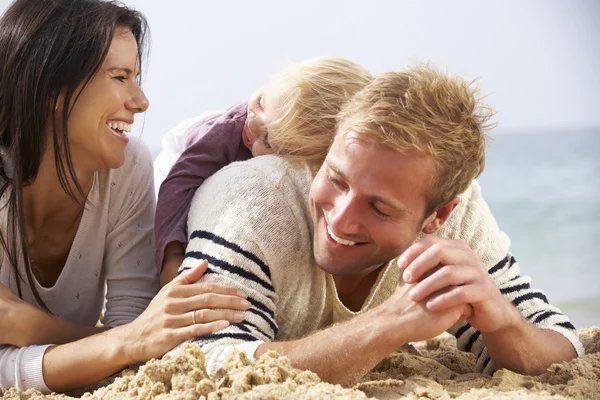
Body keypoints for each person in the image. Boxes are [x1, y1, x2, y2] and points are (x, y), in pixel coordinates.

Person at [177, 64, 583, 383]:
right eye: (335, 179)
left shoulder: (459, 219)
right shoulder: (253, 200)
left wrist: (503, 320)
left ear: (437, 216)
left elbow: (564, 349)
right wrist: (388, 324)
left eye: (379, 208)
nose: (341, 218)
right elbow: (204, 361)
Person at [0, 0, 247, 393]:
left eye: (137, 77)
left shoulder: (126, 167)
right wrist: (123, 342)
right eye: (120, 77)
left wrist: (33, 327)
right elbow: (128, 341)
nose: (141, 101)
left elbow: (133, 339)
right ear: (52, 87)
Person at [155, 57, 372, 283]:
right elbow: (177, 184)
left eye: (267, 139)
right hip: (178, 163)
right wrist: (172, 255)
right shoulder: (225, 130)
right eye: (260, 102)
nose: (251, 124)